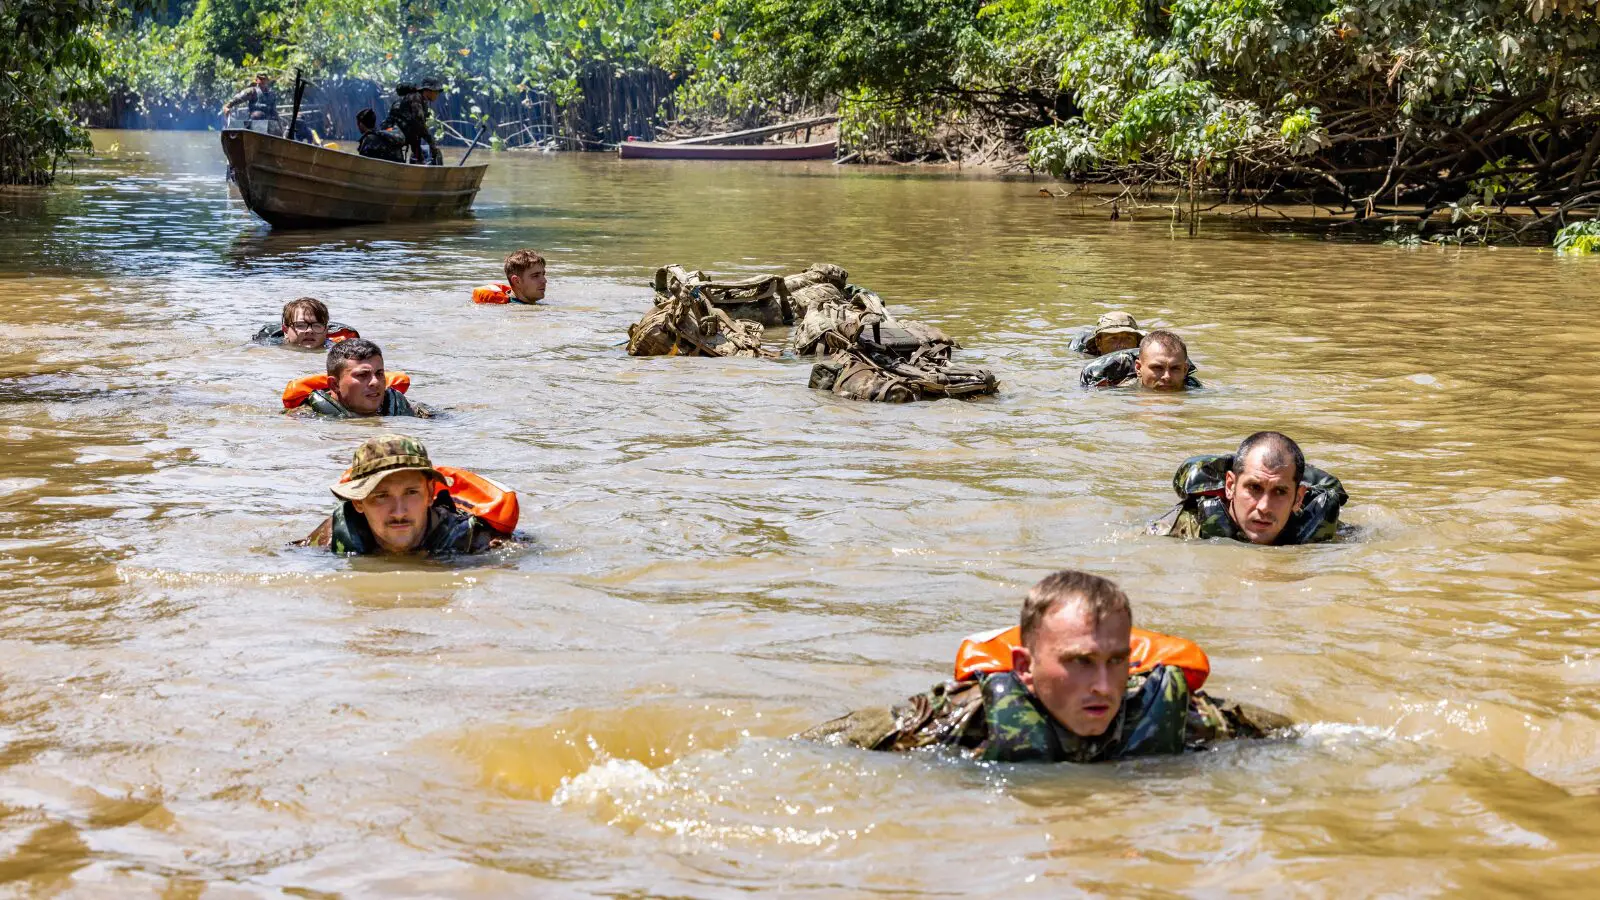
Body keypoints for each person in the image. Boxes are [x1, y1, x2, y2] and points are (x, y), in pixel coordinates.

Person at [799, 571, 1289, 762]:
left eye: (1116, 661)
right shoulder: (952, 721)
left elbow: (1305, 740)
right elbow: (806, 751)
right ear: (1024, 668)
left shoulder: (1183, 717)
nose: (1103, 685)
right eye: (1080, 663)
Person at [299, 434, 514, 556]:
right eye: (382, 496)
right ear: (358, 502)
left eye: (411, 493)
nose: (399, 512)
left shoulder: (479, 542)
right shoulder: (333, 536)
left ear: (430, 493)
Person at [1161, 431, 1349, 544]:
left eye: (1280, 492)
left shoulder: (1326, 531)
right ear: (1230, 486)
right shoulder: (1178, 530)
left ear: (1298, 499)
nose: (1264, 507)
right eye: (1254, 487)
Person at [285, 339, 430, 418]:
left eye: (379, 373)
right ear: (334, 384)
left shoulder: (408, 410)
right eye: (362, 375)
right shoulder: (304, 418)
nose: (375, 382)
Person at [1080, 330, 1201, 390]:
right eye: (1157, 368)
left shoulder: (1197, 392)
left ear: (1185, 370)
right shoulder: (1119, 393)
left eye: (1175, 368)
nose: (1167, 376)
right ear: (1138, 368)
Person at [382, 76, 444, 166]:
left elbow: (416, 130)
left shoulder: (422, 101)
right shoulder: (415, 98)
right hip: (393, 131)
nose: (437, 94)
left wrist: (421, 156)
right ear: (428, 90)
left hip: (403, 132)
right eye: (436, 91)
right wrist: (432, 145)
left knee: (418, 144)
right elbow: (420, 125)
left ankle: (418, 161)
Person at [252, 297, 359, 349]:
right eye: (300, 325)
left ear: (326, 330)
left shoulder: (338, 350)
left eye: (317, 325)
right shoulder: (267, 347)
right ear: (285, 330)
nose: (310, 331)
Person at [472, 249, 547, 304]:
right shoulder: (520, 313)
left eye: (543, 274)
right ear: (517, 281)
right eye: (535, 276)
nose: (544, 281)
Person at [1069, 311, 1144, 357]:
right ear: (1098, 343)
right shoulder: (1086, 359)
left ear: (1136, 343)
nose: (1121, 345)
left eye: (1128, 338)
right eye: (1113, 338)